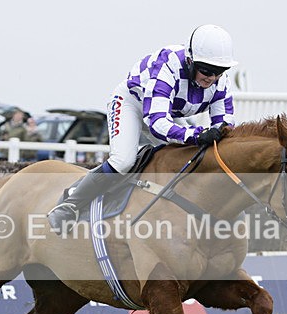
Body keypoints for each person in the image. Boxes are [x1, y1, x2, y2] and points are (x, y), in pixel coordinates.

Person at [48, 24, 237, 233]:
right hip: (132, 105)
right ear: (190, 61)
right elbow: (156, 123)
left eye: (219, 71)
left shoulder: (221, 83)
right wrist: (196, 134)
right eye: (207, 70)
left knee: (188, 159)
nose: (211, 77)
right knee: (123, 161)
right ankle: (70, 204)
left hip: (165, 113)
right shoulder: (168, 64)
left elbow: (224, 128)